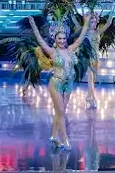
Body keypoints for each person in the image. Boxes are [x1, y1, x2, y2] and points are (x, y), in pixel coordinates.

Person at [28, 15, 91, 150]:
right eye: (59, 39)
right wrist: (33, 24)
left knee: (60, 112)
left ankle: (54, 136)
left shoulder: (70, 49)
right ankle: (65, 139)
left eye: (63, 38)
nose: (62, 41)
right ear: (55, 40)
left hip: (68, 85)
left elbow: (81, 38)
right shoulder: (52, 52)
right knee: (61, 111)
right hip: (56, 83)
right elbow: (39, 39)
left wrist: (86, 22)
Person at [86, 12, 115, 109]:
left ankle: (88, 97)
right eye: (92, 22)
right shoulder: (85, 32)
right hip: (88, 58)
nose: (94, 24)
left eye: (95, 22)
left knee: (93, 79)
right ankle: (93, 98)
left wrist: (112, 11)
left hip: (96, 58)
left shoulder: (98, 32)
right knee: (90, 79)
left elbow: (108, 23)